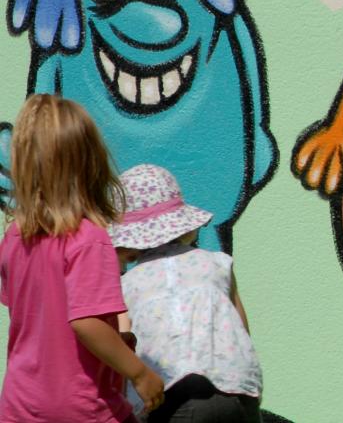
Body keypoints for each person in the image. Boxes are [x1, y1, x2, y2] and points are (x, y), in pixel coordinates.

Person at [0, 93, 165, 422]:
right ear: (90, 163)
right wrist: (139, 373)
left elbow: (40, 318)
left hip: (20, 405)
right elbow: (85, 323)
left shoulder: (15, 237)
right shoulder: (88, 239)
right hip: (81, 407)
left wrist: (115, 343)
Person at [109, 164, 263, 423]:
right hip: (237, 390)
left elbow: (124, 344)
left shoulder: (128, 285)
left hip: (175, 397)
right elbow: (242, 330)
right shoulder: (217, 264)